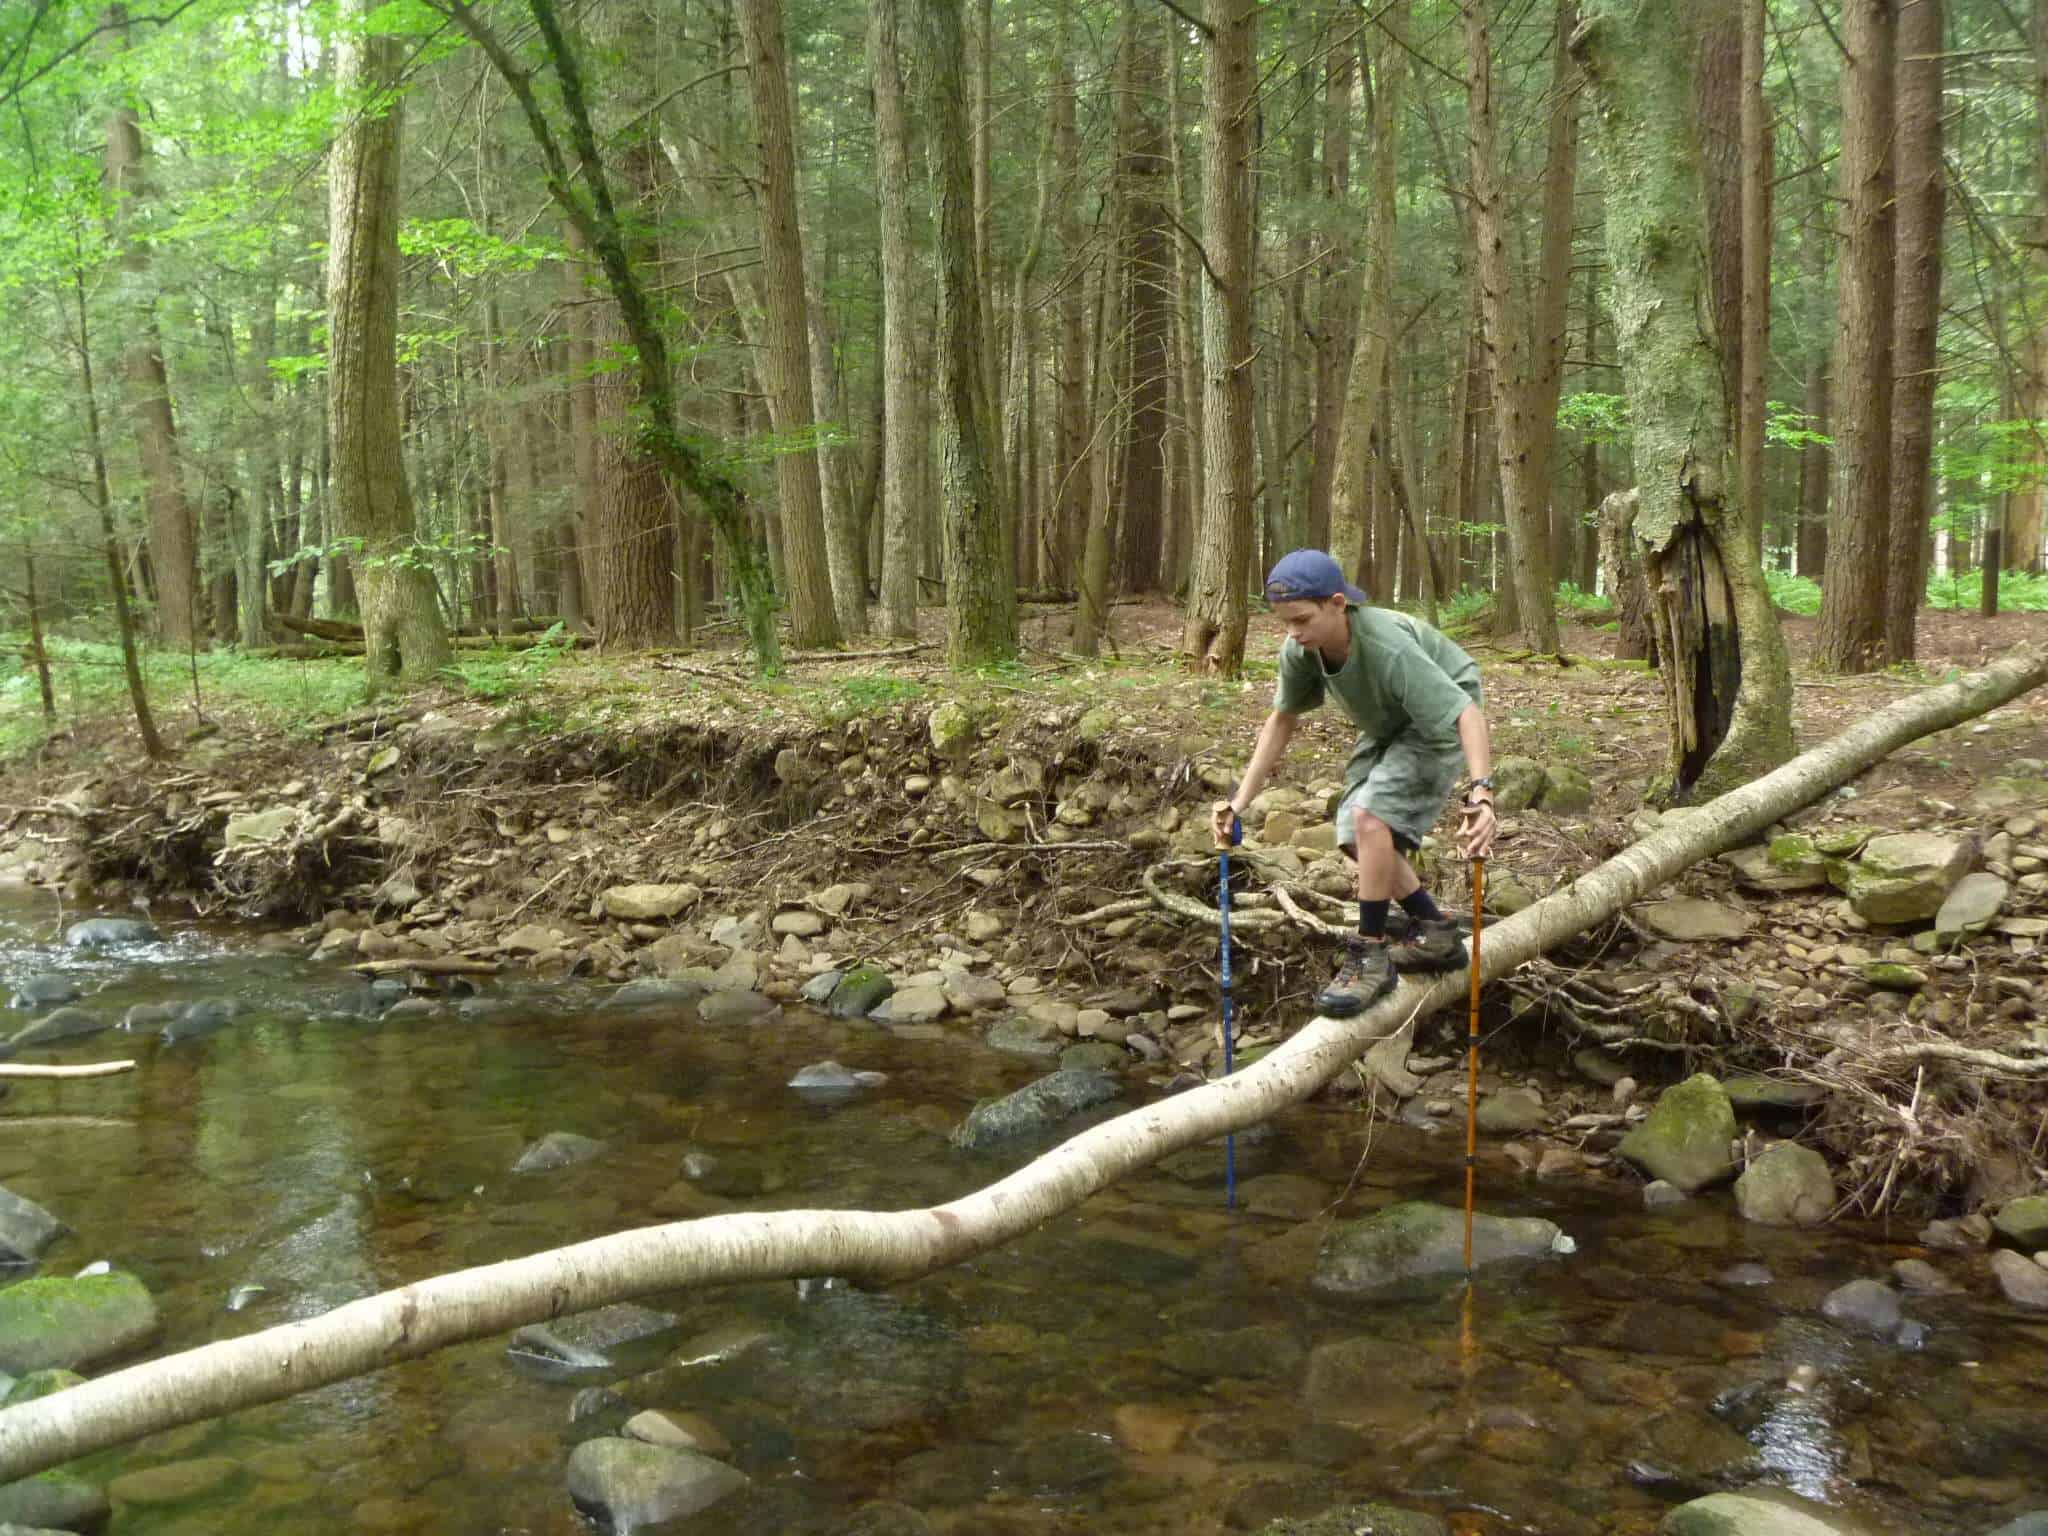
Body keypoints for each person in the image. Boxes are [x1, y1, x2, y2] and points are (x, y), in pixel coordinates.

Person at [1210, 549, 1499, 1017]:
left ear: (1338, 604)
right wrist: (1239, 802)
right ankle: (1435, 929)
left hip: (1439, 719)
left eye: (1302, 619)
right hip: (1387, 724)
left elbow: (1466, 713)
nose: (1294, 633)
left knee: (1370, 818)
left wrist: (1482, 790)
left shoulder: (1387, 645)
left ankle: (1370, 953)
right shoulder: (1301, 649)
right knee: (1352, 834)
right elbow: (1281, 719)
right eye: (1284, 623)